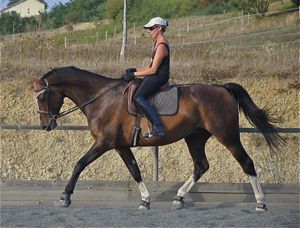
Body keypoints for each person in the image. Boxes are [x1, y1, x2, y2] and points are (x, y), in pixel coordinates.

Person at [123, 17, 170, 138]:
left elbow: (153, 70)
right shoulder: (156, 44)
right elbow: (150, 66)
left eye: (151, 28)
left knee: (138, 96)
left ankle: (158, 127)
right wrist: (135, 70)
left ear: (159, 28)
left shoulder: (161, 46)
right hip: (155, 75)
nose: (149, 31)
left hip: (160, 77)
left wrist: (133, 75)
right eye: (148, 29)